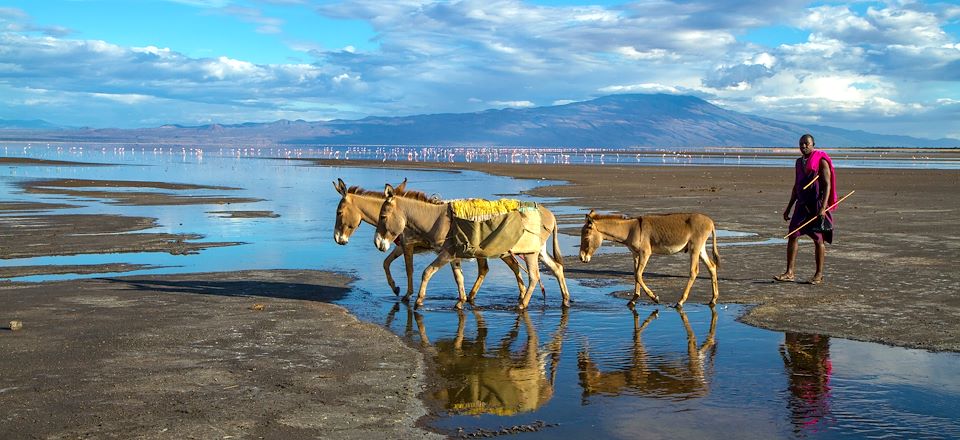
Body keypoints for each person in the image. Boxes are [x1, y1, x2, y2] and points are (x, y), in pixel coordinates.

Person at [775, 134, 838, 285]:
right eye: (801, 144)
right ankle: (789, 272)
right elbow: (796, 187)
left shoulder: (821, 161)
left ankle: (819, 274)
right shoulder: (798, 162)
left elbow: (827, 184)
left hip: (816, 206)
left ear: (813, 144)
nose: (803, 146)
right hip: (801, 205)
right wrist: (788, 208)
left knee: (818, 239)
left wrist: (823, 207)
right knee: (792, 235)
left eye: (806, 144)